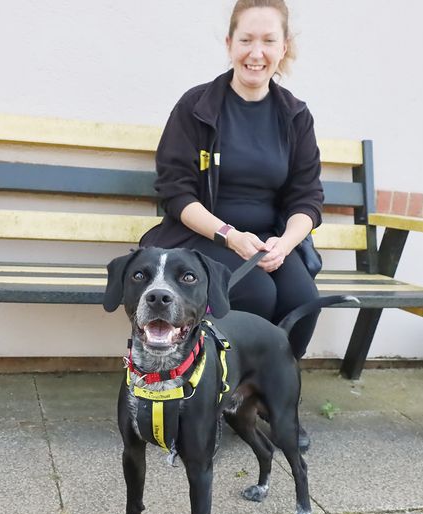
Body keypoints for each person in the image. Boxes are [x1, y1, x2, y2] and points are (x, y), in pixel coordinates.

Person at [140, 0, 323, 450]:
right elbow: (176, 191)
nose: (255, 53)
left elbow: (307, 197)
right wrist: (229, 235)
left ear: (284, 47)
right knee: (255, 293)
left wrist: (286, 241)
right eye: (246, 40)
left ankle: (267, 399)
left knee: (304, 299)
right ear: (229, 44)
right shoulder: (198, 106)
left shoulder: (294, 115)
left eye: (268, 41)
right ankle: (215, 397)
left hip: (269, 242)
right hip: (203, 235)